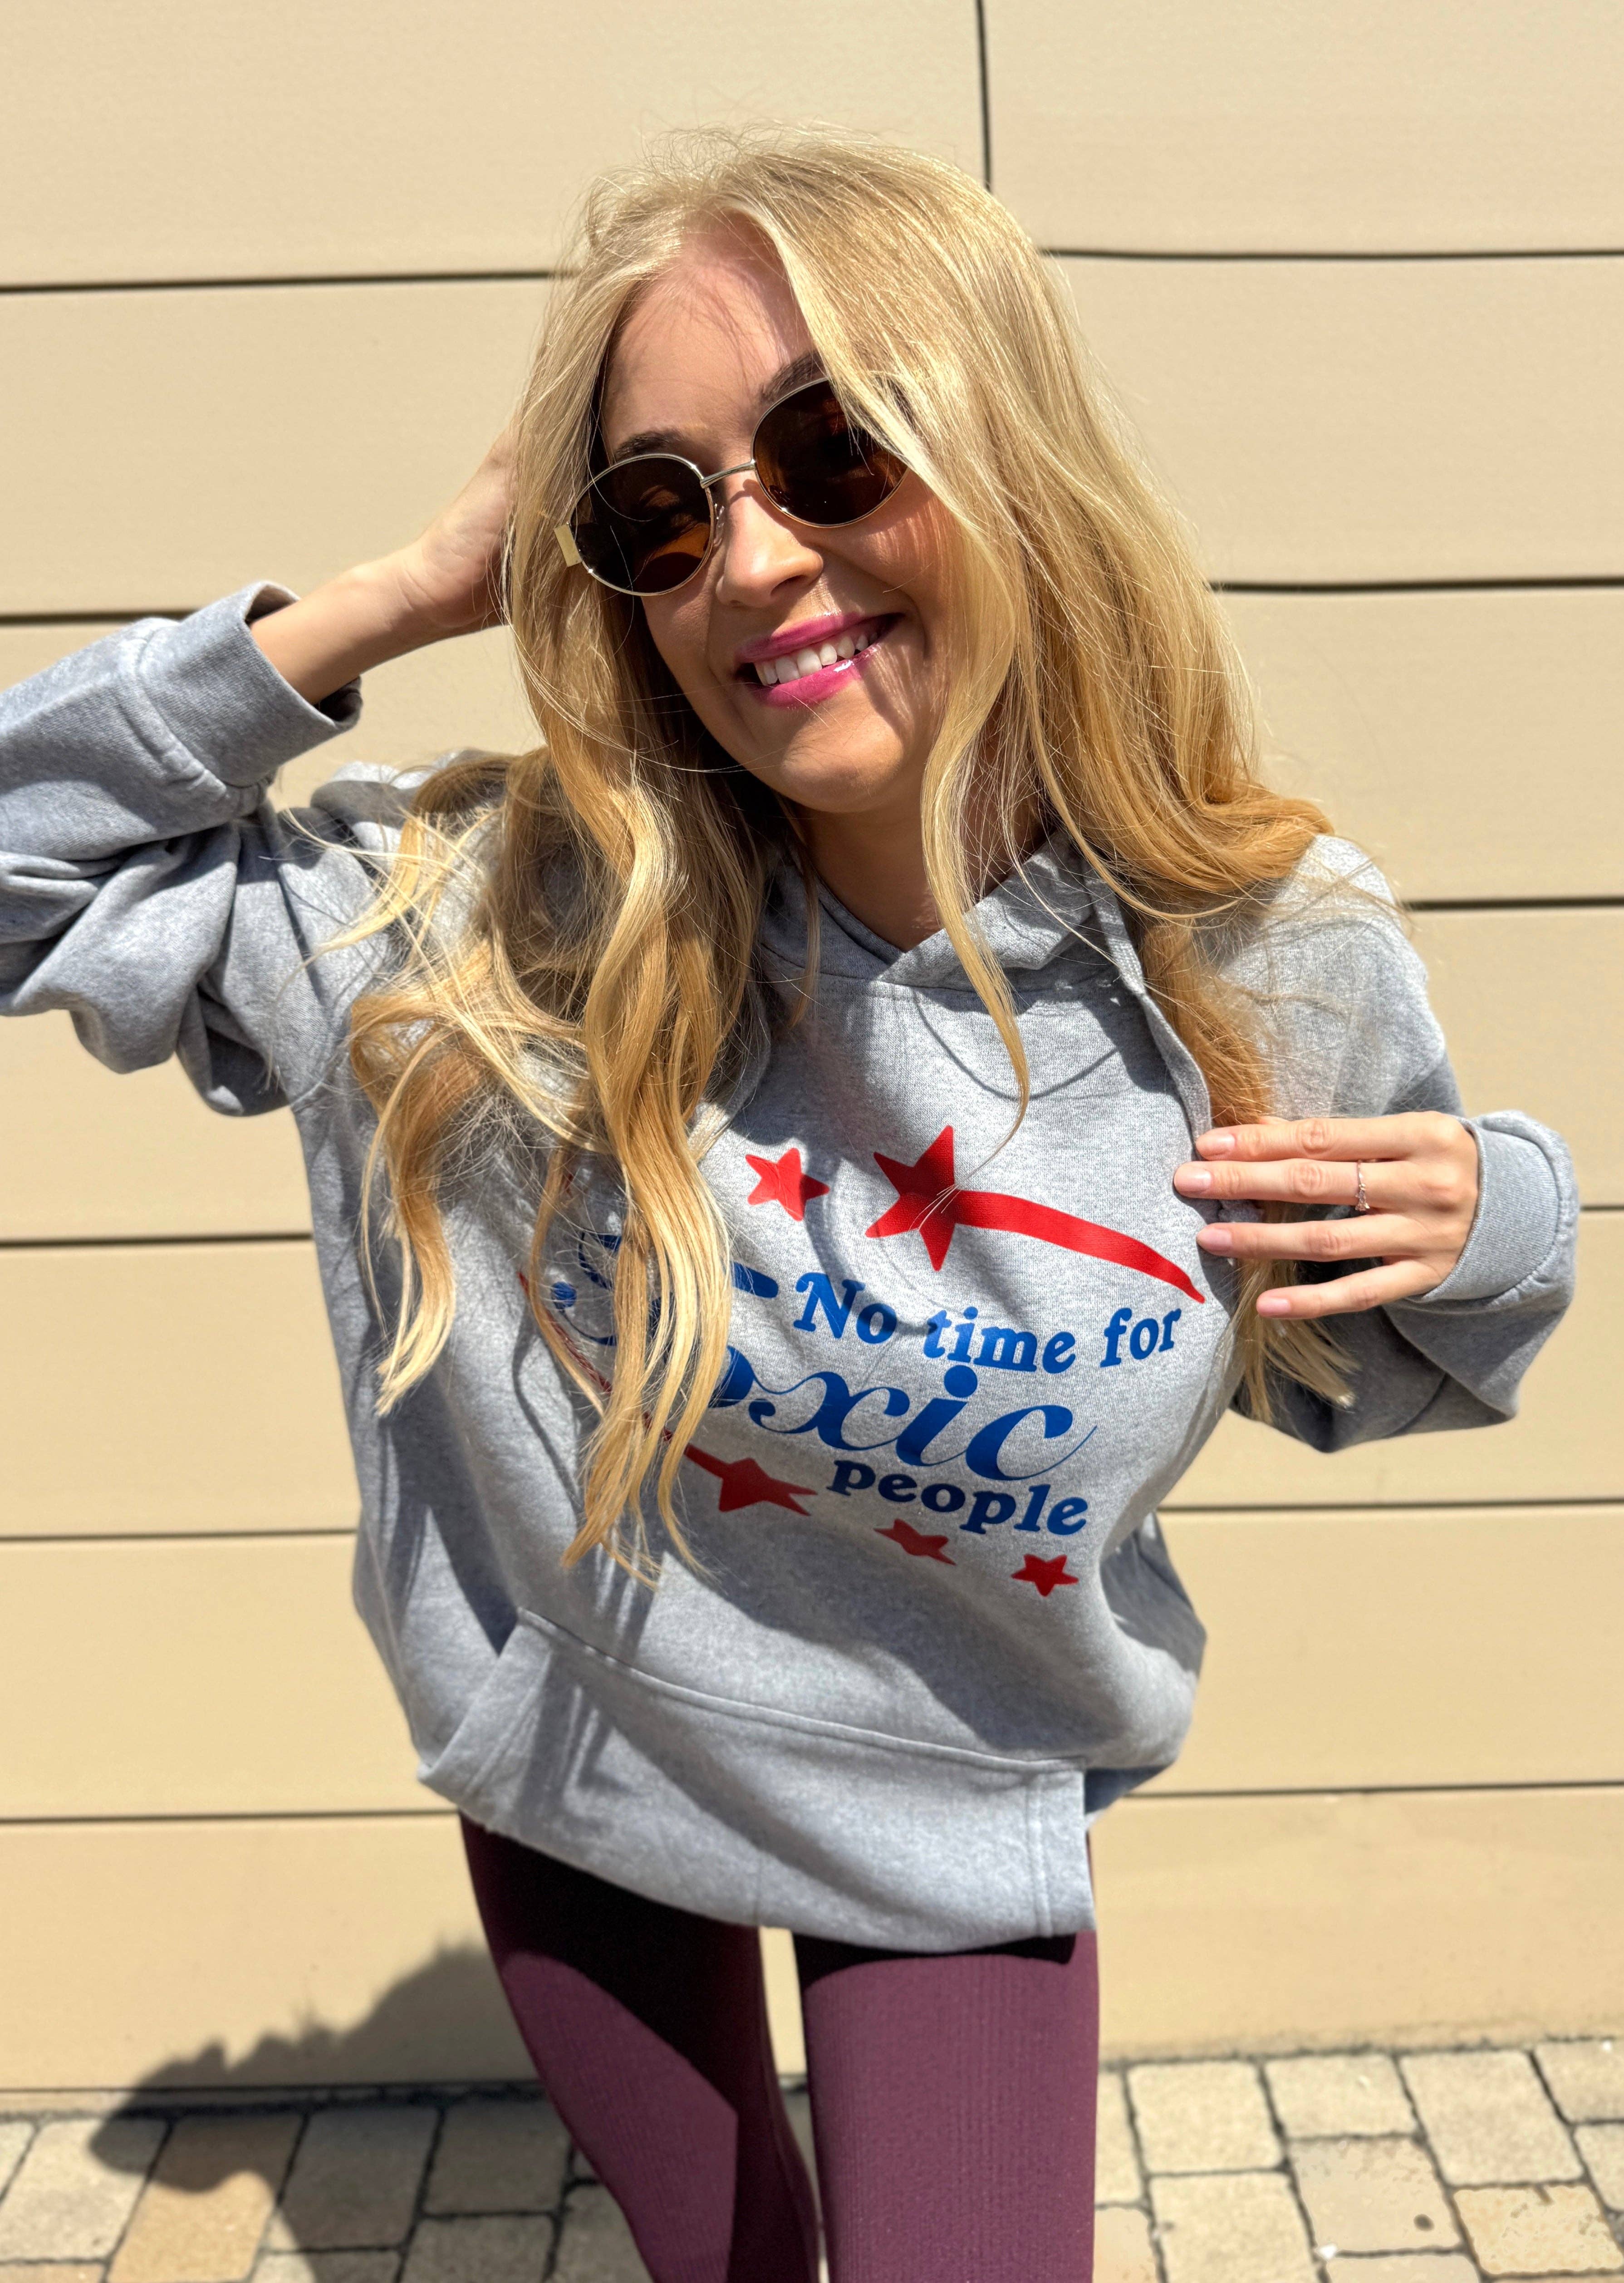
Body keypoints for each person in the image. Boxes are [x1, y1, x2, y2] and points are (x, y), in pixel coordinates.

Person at [0, 131, 1575, 2282]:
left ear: (1007, 462)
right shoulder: (480, 923)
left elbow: (1377, 1370)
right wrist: (403, 592)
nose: (749, 562)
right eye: (656, 511)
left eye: (836, 451)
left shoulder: (1253, 955)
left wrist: (1500, 1220)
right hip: (584, 1765)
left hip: (956, 1800)